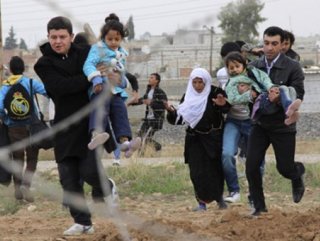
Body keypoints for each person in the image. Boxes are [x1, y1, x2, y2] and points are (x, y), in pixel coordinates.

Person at [34, 16, 116, 235]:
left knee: (89, 171)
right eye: (53, 37)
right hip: (62, 126)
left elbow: (108, 60)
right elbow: (60, 87)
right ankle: (83, 222)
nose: (58, 41)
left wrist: (101, 69)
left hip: (88, 125)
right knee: (68, 180)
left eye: (62, 36)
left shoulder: (86, 53)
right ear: (48, 37)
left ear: (71, 37)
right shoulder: (43, 64)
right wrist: (90, 77)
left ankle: (107, 187)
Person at [246, 26, 305, 216]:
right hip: (260, 125)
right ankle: (259, 207)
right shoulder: (254, 67)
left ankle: (297, 175)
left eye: (274, 44)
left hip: (283, 126)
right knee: (252, 166)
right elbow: (246, 90)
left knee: (285, 168)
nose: (269, 48)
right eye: (266, 43)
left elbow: (299, 93)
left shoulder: (292, 67)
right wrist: (250, 94)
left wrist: (279, 97)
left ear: (282, 45)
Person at [167, 68, 230, 211]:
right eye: (194, 82)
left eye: (200, 82)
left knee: (215, 170)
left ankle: (219, 199)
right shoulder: (188, 96)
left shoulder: (215, 93)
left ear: (206, 81)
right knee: (197, 172)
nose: (197, 86)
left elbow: (226, 109)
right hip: (194, 140)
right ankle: (201, 203)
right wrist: (171, 112)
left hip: (213, 139)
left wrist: (223, 105)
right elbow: (180, 119)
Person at [83, 13, 141, 157]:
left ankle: (125, 141)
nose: (114, 42)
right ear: (104, 38)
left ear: (121, 38)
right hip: (101, 86)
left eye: (117, 39)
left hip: (115, 90)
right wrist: (96, 79)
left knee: (120, 111)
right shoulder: (98, 49)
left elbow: (123, 73)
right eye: (110, 39)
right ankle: (96, 134)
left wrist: (121, 81)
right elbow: (88, 64)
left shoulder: (122, 54)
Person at [0, 56, 48, 202]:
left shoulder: (5, 86)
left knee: (17, 159)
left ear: (11, 69)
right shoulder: (31, 82)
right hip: (32, 126)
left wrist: (5, 118)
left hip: (14, 127)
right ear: (24, 68)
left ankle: (17, 190)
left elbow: (0, 107)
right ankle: (26, 186)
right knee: (32, 158)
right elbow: (47, 91)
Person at [130, 73, 168, 152]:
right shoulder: (149, 90)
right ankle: (141, 155)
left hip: (156, 120)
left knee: (146, 138)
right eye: (149, 77)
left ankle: (157, 147)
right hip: (148, 119)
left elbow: (164, 105)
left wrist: (151, 103)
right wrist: (132, 103)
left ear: (157, 81)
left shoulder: (160, 92)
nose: (149, 79)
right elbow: (143, 100)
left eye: (152, 77)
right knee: (139, 136)